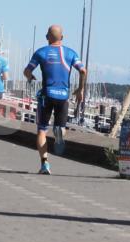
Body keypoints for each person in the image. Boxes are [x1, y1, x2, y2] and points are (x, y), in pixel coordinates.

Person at [24, 25, 86, 174]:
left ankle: (44, 163)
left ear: (47, 37)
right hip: (63, 97)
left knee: (41, 130)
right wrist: (80, 89)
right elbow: (83, 70)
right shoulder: (70, 53)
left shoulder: (41, 52)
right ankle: (59, 133)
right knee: (60, 127)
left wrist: (30, 77)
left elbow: (27, 70)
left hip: (47, 96)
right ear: (62, 38)